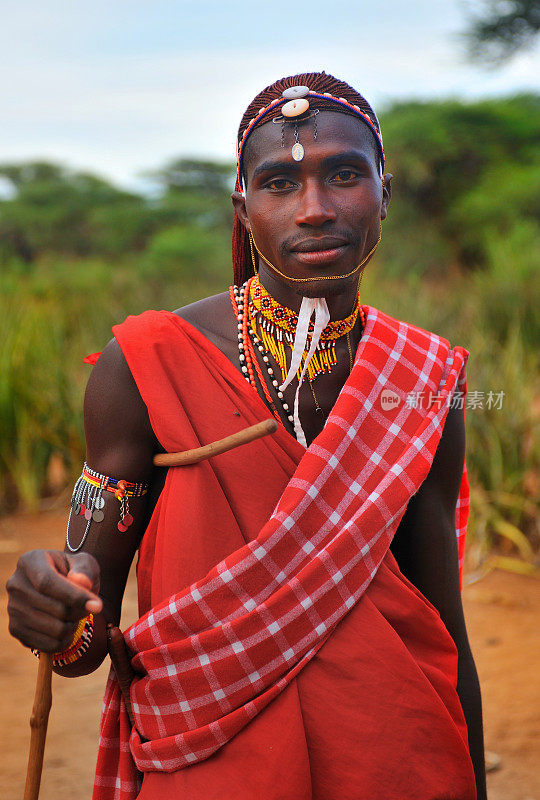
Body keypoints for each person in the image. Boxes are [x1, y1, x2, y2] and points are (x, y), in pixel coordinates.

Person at [7, 72, 486, 800]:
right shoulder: (143, 368)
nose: (316, 209)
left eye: (345, 174)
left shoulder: (421, 379)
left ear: (385, 194)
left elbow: (442, 632)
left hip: (396, 762)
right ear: (244, 208)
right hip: (214, 769)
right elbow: (81, 639)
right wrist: (57, 609)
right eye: (279, 183)